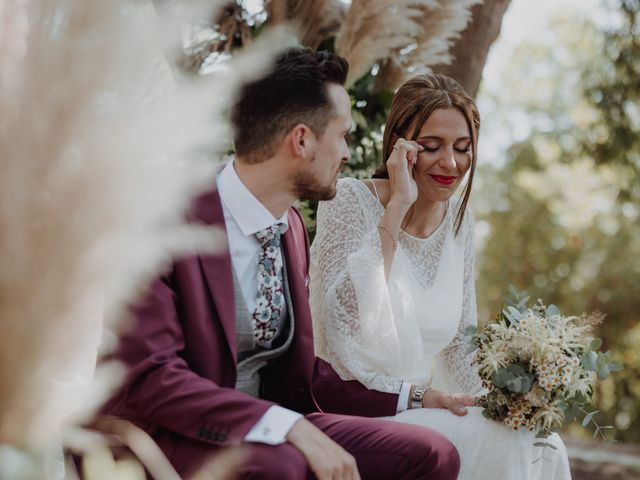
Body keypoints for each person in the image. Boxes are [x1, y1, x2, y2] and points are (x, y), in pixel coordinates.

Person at [102, 48, 460, 480]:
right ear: (302, 140)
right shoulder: (163, 218)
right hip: (161, 436)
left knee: (432, 453)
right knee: (284, 464)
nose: (347, 153)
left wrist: (415, 398)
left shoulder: (289, 227)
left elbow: (303, 377)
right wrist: (285, 427)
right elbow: (150, 379)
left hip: (271, 429)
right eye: (342, 135)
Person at [309, 73, 573, 479]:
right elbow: (340, 329)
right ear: (400, 144)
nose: (451, 163)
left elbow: (459, 343)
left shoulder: (459, 221)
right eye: (432, 147)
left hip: (428, 407)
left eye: (463, 148)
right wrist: (397, 206)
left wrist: (500, 403)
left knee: (541, 440)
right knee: (503, 442)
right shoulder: (348, 201)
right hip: (362, 409)